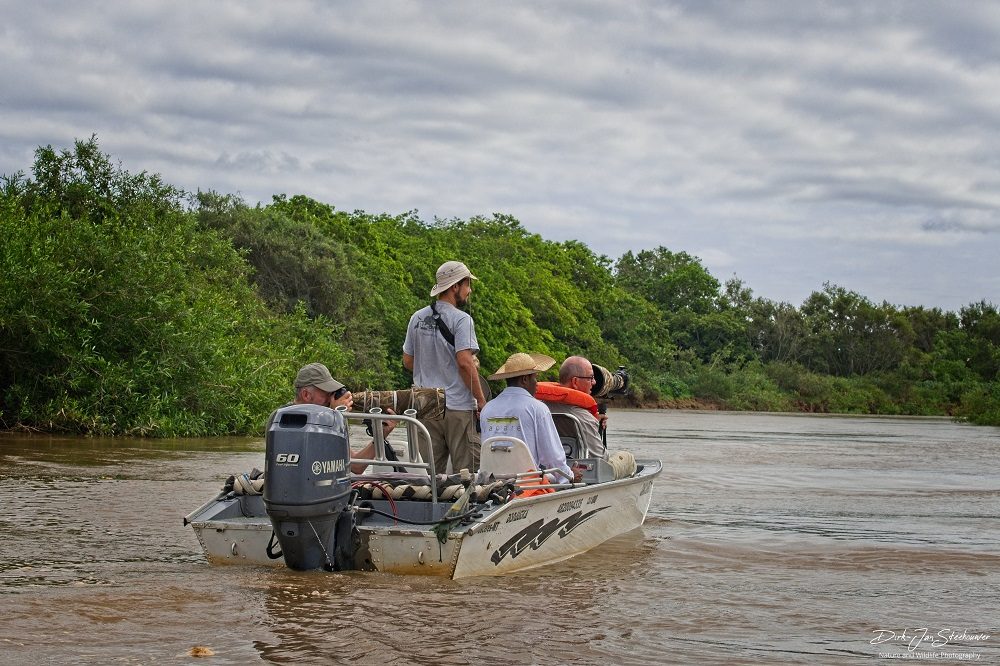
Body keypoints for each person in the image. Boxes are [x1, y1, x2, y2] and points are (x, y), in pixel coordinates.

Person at [402, 261, 487, 474]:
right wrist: (481, 401)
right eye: (467, 284)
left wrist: (431, 369)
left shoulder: (417, 317)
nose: (470, 290)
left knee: (431, 473)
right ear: (455, 287)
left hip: (425, 400)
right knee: (466, 473)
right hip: (456, 403)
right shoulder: (462, 320)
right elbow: (465, 363)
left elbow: (408, 361)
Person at [267, 362, 394, 474]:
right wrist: (332, 415)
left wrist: (380, 435)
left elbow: (356, 466)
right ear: (306, 395)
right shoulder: (283, 418)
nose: (330, 399)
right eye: (326, 393)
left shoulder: (326, 418)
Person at [479, 352, 574, 482]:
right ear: (524, 379)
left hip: (492, 483)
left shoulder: (487, 409)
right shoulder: (537, 409)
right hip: (526, 485)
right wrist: (570, 477)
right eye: (535, 378)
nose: (537, 383)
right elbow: (553, 459)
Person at [535, 355, 607, 459]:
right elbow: (600, 458)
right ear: (575, 382)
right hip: (580, 470)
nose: (594, 382)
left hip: (546, 467)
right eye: (590, 378)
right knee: (627, 458)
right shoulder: (584, 418)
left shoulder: (538, 407)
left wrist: (595, 421)